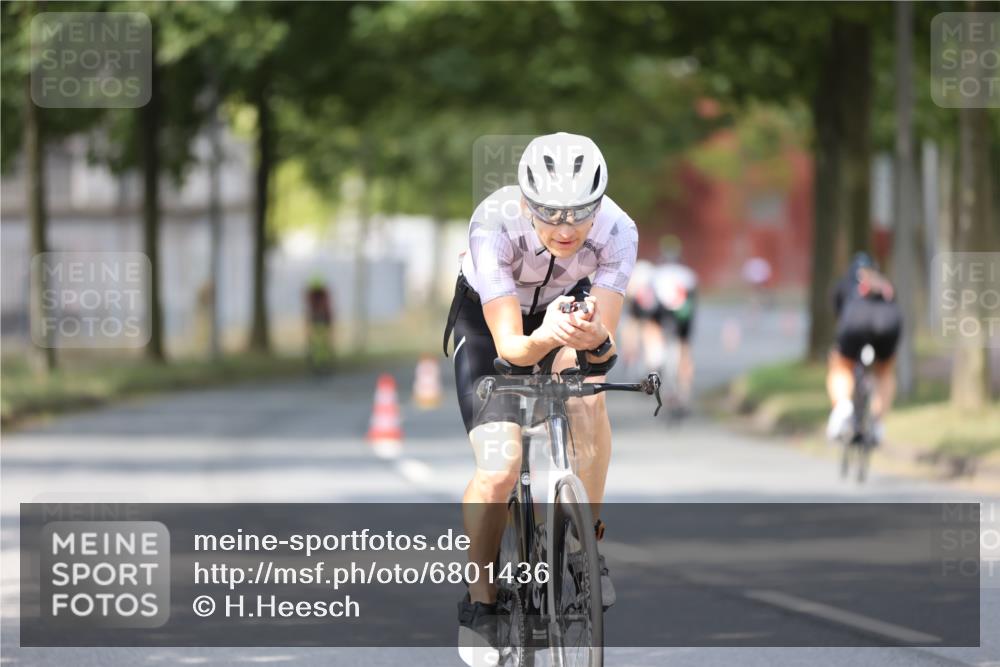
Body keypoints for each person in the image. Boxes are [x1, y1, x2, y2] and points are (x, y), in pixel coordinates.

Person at [442, 132, 638, 666]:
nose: (567, 228)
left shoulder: (619, 231)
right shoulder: (493, 224)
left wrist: (590, 344)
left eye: (581, 213)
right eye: (551, 213)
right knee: (500, 466)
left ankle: (583, 549)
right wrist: (549, 338)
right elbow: (511, 347)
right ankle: (481, 601)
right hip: (492, 324)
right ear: (526, 202)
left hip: (567, 310)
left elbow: (603, 348)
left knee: (587, 400)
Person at [825, 252, 903, 445]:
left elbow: (838, 313)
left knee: (841, 365)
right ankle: (877, 422)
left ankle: (843, 407)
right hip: (887, 323)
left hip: (855, 322)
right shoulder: (885, 284)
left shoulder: (845, 284)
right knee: (884, 372)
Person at [649, 237, 698, 410]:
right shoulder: (688, 274)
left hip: (661, 311)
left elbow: (650, 301)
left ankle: (655, 362)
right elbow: (692, 301)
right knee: (684, 347)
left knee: (653, 331)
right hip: (683, 313)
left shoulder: (656, 273)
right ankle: (685, 391)